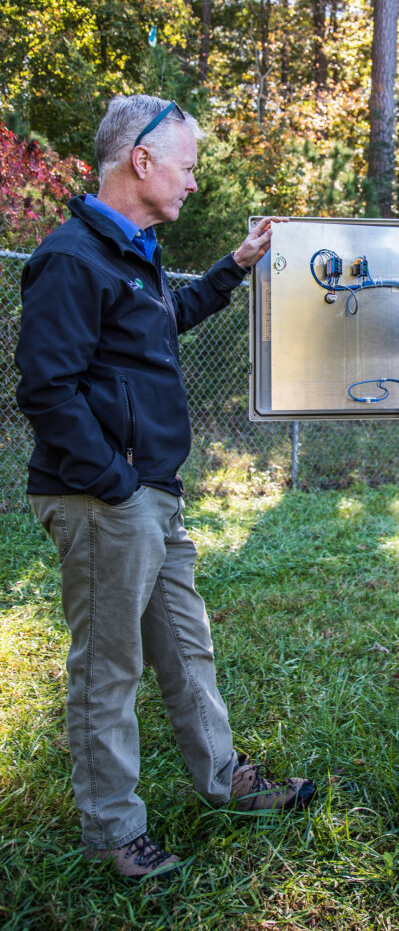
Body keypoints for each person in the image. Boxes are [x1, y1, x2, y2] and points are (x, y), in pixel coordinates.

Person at [15, 95, 316, 882]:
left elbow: (164, 319)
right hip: (103, 498)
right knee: (108, 670)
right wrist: (115, 484)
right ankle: (115, 833)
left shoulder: (133, 252)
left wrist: (234, 268)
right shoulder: (71, 258)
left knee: (186, 648)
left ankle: (224, 779)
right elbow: (46, 391)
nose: (190, 181)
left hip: (152, 493)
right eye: (184, 166)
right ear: (140, 161)